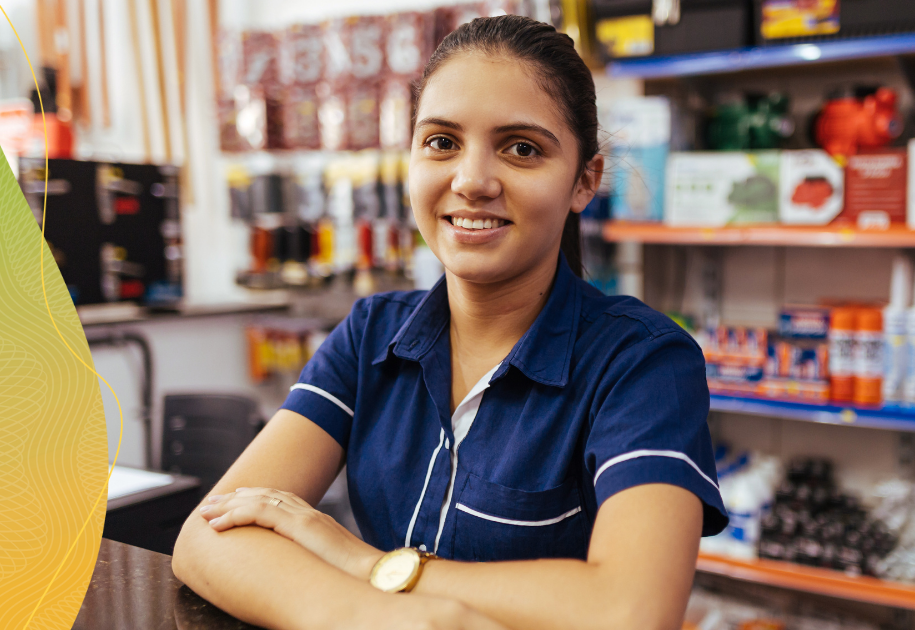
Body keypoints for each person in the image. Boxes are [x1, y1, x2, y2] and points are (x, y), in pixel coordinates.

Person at [172, 15, 726, 630]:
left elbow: (631, 610)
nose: (472, 181)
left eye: (522, 148)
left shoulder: (643, 362)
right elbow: (207, 536)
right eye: (442, 142)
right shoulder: (371, 335)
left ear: (583, 181)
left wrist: (366, 564)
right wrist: (370, 617)